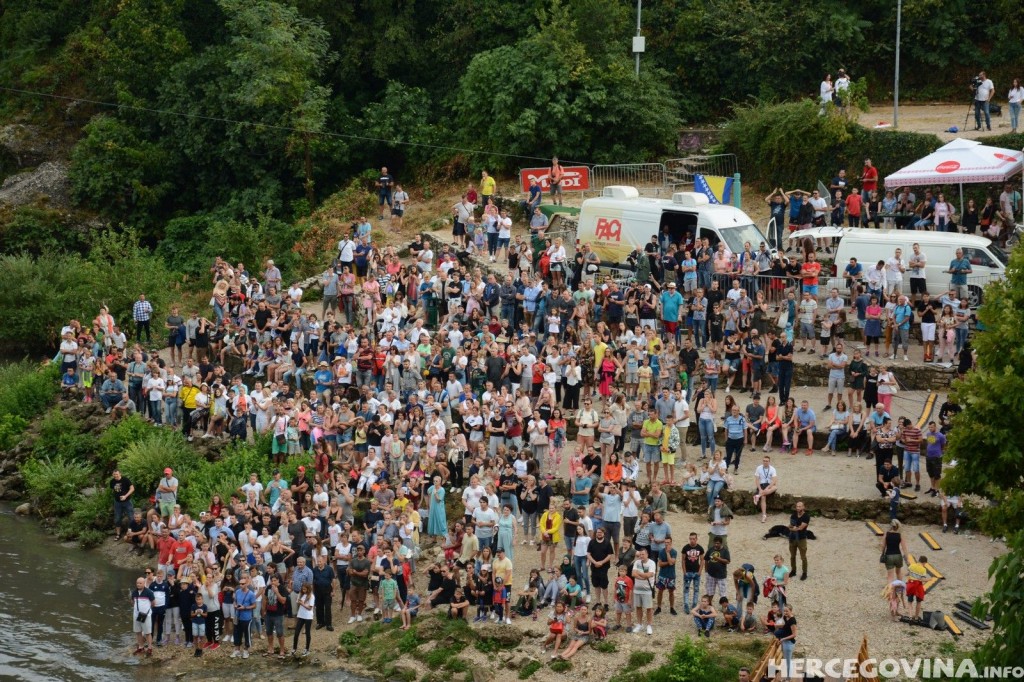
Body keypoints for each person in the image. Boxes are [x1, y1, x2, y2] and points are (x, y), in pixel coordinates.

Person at [631, 547, 656, 636]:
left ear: (647, 554)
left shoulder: (652, 563)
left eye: (643, 554)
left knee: (649, 608)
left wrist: (640, 573)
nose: (641, 556)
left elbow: (649, 575)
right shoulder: (637, 562)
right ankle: (639, 624)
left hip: (647, 590)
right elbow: (633, 574)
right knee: (638, 607)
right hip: (637, 589)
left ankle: (649, 625)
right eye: (640, 554)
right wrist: (643, 576)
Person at [131, 576, 156, 657]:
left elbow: (153, 603)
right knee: (138, 632)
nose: (138, 584)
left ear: (144, 583)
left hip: (145, 614)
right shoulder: (134, 592)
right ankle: (141, 647)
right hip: (136, 614)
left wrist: (147, 610)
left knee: (148, 632)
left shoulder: (149, 592)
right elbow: (132, 601)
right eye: (137, 583)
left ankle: (149, 648)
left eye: (140, 583)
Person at [788, 501, 810, 581]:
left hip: (801, 539)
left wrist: (794, 528)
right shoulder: (793, 515)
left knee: (803, 557)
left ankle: (804, 573)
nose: (798, 508)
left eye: (800, 506)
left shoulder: (806, 516)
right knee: (792, 556)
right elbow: (790, 526)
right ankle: (793, 571)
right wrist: (792, 528)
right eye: (797, 506)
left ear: (803, 507)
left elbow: (801, 528)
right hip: (793, 538)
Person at [291, 583, 314, 657]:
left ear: (308, 589)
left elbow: (310, 608)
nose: (303, 590)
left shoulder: (311, 596)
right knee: (296, 632)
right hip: (301, 615)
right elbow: (298, 601)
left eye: (305, 589)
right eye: (302, 589)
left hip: (308, 616)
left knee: (307, 633)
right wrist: (299, 599)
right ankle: (294, 648)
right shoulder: (301, 594)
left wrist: (302, 604)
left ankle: (307, 649)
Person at [753, 456, 778, 523]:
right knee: (763, 497)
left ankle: (758, 496)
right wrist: (760, 489)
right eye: (764, 461)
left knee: (775, 487)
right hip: (762, 485)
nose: (765, 462)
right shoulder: (759, 468)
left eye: (767, 461)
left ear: (769, 462)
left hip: (769, 485)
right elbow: (757, 480)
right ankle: (764, 515)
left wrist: (768, 488)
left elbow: (774, 481)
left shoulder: (772, 469)